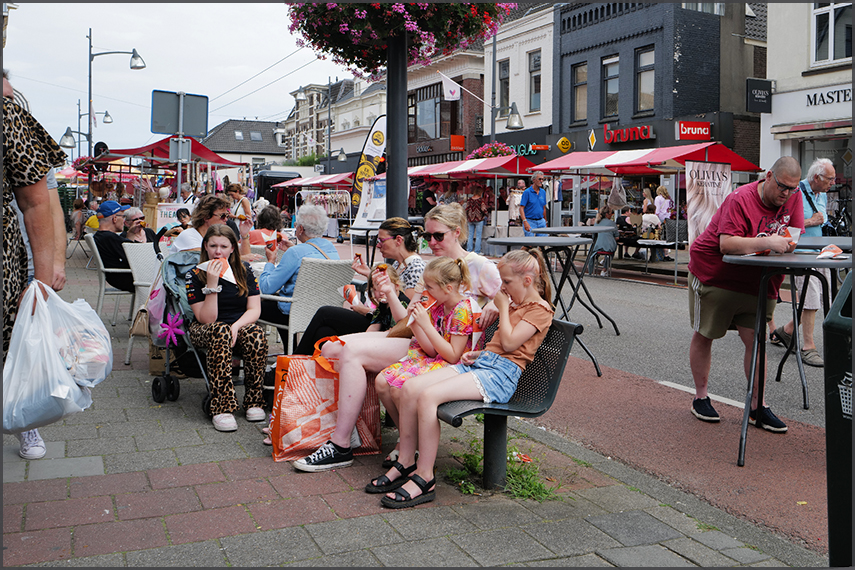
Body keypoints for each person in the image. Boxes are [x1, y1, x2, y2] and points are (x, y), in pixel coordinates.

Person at [292, 203, 501, 472]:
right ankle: (340, 428)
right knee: (333, 348)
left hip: (444, 351)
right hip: (422, 341)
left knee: (350, 351)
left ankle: (342, 443)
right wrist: (390, 293)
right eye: (427, 236)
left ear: (456, 232)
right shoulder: (432, 267)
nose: (431, 242)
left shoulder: (479, 266)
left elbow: (518, 295)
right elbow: (407, 319)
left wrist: (497, 304)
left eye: (438, 236)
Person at [374, 249, 555, 508]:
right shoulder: (517, 303)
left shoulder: (540, 309)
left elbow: (510, 343)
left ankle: (425, 477)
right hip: (484, 365)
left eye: (506, 282)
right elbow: (505, 347)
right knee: (411, 387)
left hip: (500, 377)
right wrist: (479, 353)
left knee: (428, 397)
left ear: (527, 280)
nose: (502, 288)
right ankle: (406, 460)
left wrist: (502, 307)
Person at [687, 156, 804, 433]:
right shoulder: (739, 199)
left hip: (758, 279)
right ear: (768, 177)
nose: (786, 194)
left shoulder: (794, 198)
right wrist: (768, 242)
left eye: (792, 188)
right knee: (706, 333)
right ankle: (700, 397)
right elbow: (726, 244)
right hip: (715, 274)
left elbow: (792, 238)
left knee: (757, 339)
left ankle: (757, 406)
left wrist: (783, 244)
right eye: (782, 186)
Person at [4, 76, 67, 460]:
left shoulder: (22, 140)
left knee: (21, 348)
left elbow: (49, 207)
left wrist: (55, 263)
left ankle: (25, 422)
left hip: (21, 262)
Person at [368, 258, 476, 476]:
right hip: (436, 359)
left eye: (429, 287)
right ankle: (409, 439)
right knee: (381, 381)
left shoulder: (462, 310)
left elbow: (452, 355)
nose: (425, 291)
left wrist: (426, 325)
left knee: (398, 388)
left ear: (447, 288)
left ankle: (410, 447)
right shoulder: (438, 305)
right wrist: (416, 324)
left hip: (455, 366)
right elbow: (431, 351)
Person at [292, 217, 424, 355]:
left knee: (325, 313)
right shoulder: (399, 264)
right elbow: (387, 302)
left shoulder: (415, 268)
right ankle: (305, 364)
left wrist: (365, 310)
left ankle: (294, 360)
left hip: (389, 330)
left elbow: (403, 314)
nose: (378, 245)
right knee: (324, 332)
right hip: (380, 322)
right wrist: (369, 274)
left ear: (398, 240)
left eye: (381, 241)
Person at [186, 225, 268, 431]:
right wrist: (212, 285)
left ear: (233, 248)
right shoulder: (194, 274)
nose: (218, 252)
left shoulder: (244, 270)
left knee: (256, 333)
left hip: (237, 326)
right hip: (206, 329)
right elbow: (207, 319)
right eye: (213, 246)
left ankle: (254, 400)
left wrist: (236, 326)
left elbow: (254, 309)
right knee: (220, 330)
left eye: (223, 246)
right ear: (205, 246)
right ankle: (222, 406)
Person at [771, 158, 836, 368]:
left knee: (823, 296)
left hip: (819, 252)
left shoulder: (822, 194)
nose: (833, 183)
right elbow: (784, 225)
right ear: (816, 177)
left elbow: (822, 220)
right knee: (810, 296)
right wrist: (810, 222)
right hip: (799, 252)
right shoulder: (794, 191)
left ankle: (787, 331)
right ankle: (808, 346)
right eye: (830, 179)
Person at [257, 204, 339, 348]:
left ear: (301, 229)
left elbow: (267, 288)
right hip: (322, 310)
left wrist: (270, 261)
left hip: (294, 313)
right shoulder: (331, 249)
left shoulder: (295, 253)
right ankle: (291, 350)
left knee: (255, 305)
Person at [167, 194, 246, 254]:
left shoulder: (215, 236)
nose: (226, 219)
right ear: (206, 216)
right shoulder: (188, 235)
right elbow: (207, 258)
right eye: (222, 216)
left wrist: (245, 236)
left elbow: (243, 256)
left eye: (227, 215)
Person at [92, 200, 136, 293]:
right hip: (126, 278)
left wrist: (131, 234)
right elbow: (134, 254)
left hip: (115, 277)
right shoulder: (109, 238)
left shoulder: (100, 236)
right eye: (123, 216)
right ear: (114, 218)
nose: (124, 220)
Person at [586, 204, 618, 275]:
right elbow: (617, 237)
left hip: (597, 246)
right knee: (611, 250)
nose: (612, 215)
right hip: (608, 247)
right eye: (611, 213)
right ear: (607, 214)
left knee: (593, 251)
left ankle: (591, 270)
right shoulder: (612, 223)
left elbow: (594, 236)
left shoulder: (596, 223)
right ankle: (604, 268)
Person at [465, 182, 490, 255]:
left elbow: (466, 209)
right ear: (480, 192)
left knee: (470, 235)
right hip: (479, 219)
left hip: (470, 219)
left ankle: (469, 250)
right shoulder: (481, 200)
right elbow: (483, 209)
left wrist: (468, 216)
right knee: (478, 236)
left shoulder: (469, 200)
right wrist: (486, 214)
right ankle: (477, 251)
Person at [519, 171, 548, 237]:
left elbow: (543, 207)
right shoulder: (527, 192)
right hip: (530, 221)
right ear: (534, 180)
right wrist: (525, 221)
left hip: (541, 221)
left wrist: (545, 221)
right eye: (539, 179)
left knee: (543, 242)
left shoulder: (543, 192)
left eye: (542, 179)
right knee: (530, 242)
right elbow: (521, 208)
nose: (541, 181)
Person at [654, 186, 674, 261]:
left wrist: (655, 218)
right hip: (668, 219)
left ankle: (661, 255)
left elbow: (657, 210)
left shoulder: (658, 198)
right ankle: (666, 254)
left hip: (661, 219)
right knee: (666, 237)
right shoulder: (668, 199)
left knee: (660, 237)